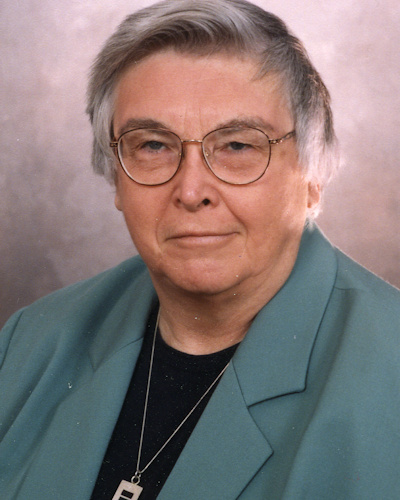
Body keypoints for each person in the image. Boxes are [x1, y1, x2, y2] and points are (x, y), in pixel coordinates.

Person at [1, 0, 399, 498]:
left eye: (238, 146)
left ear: (313, 174)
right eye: (153, 145)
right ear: (116, 178)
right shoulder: (29, 342)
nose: (191, 191)